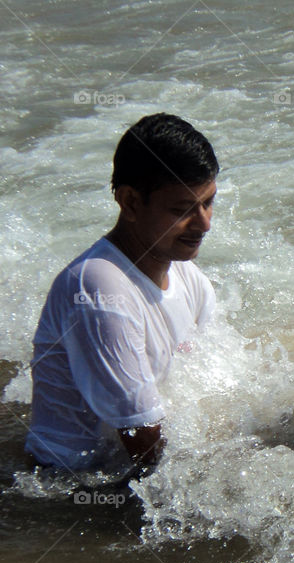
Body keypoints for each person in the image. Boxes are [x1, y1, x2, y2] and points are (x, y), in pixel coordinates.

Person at [25, 113, 218, 470]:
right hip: (73, 488)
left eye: (208, 202)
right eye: (183, 209)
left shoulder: (189, 276)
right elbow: (143, 440)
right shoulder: (98, 289)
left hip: (124, 466)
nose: (205, 223)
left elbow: (220, 380)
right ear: (129, 202)